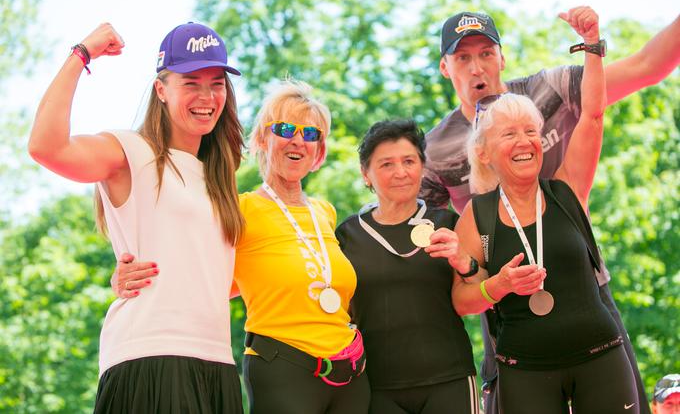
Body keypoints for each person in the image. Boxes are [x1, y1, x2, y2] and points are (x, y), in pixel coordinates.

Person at [421, 7, 680, 414]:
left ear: (502, 58)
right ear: (444, 66)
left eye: (486, 53)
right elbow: (435, 246)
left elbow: (645, 69)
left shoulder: (548, 89)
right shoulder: (436, 151)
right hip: (508, 312)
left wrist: (592, 44)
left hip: (584, 290)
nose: (477, 67)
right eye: (463, 57)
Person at [113, 80, 370, 413]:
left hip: (348, 372)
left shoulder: (325, 212)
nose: (297, 140)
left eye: (310, 134)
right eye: (285, 128)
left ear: (319, 152)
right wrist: (125, 276)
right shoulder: (237, 209)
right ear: (262, 139)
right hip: (283, 367)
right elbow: (198, 272)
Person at [28, 22, 245, 413]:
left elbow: (219, 277)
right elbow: (47, 147)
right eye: (191, 82)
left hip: (218, 363)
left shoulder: (220, 178)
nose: (207, 96)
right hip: (151, 355)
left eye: (217, 83)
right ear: (161, 90)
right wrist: (82, 54)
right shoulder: (131, 152)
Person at [336, 119, 479, 414]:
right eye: (386, 164)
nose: (400, 172)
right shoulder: (347, 235)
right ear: (366, 174)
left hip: (449, 378)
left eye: (409, 161)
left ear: (423, 167)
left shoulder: (448, 223)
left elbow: (478, 294)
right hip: (377, 387)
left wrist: (465, 261)